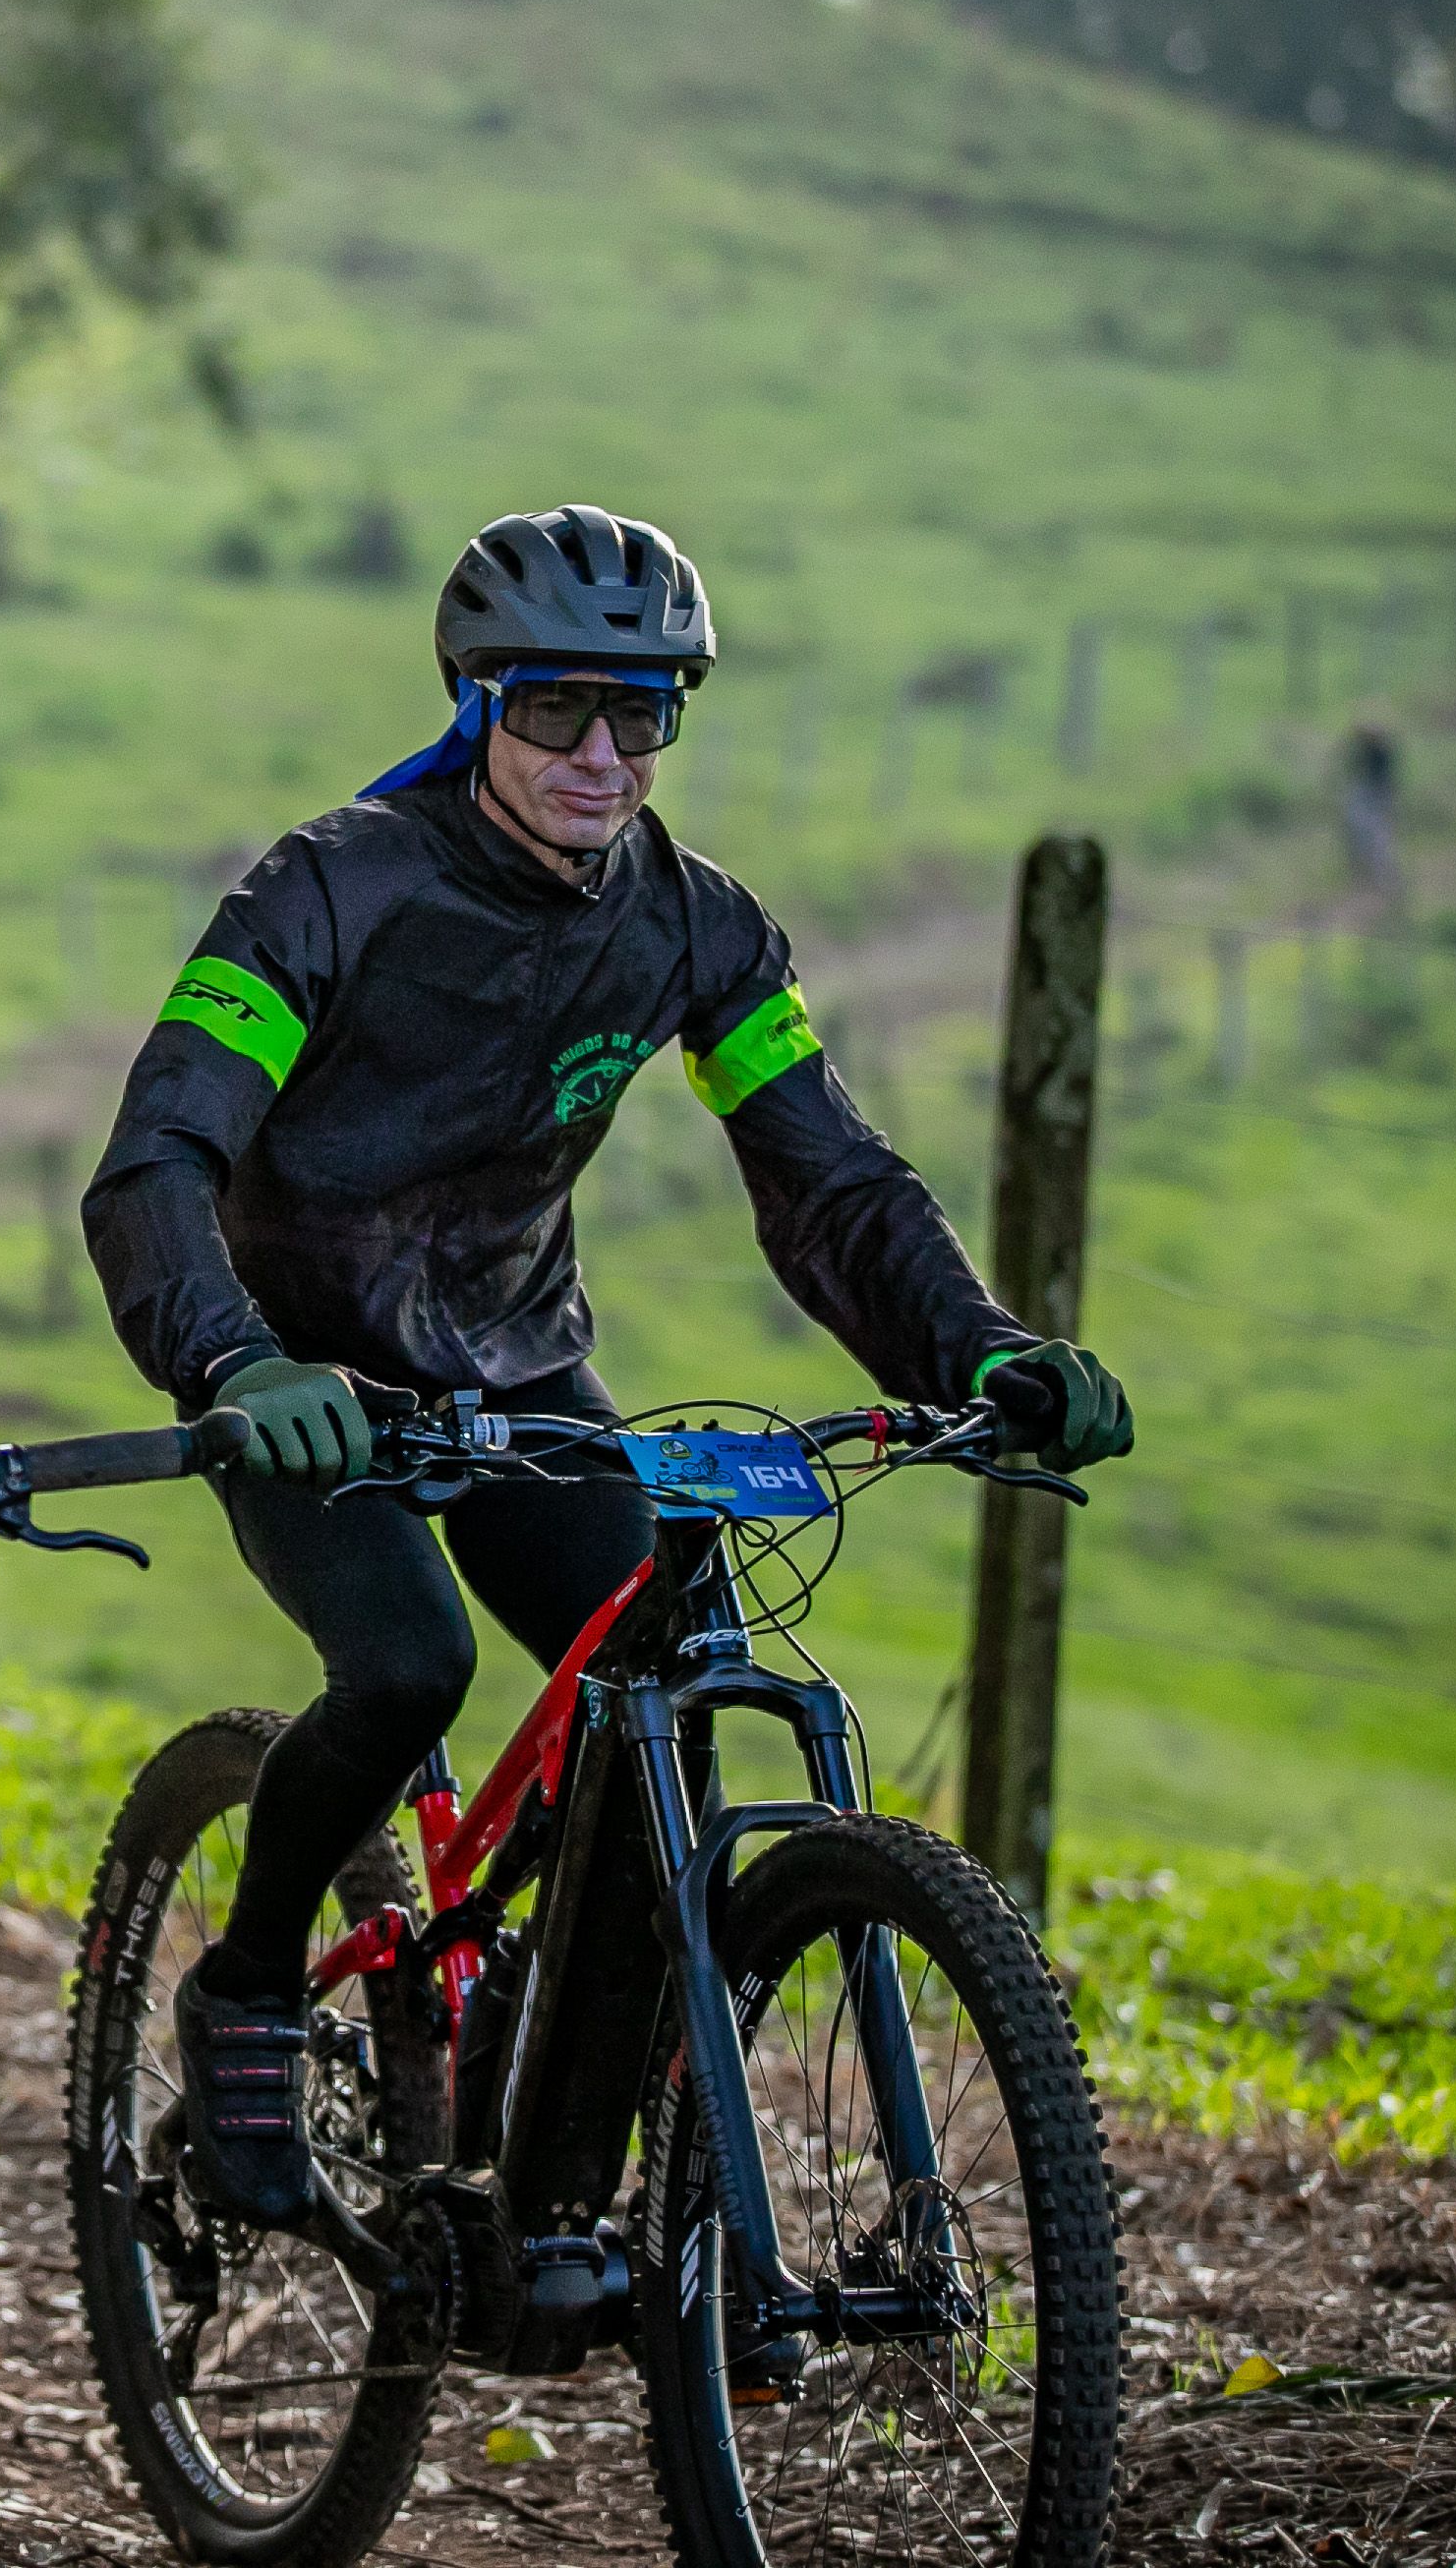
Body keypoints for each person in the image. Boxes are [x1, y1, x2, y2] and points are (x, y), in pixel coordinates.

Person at [80, 504, 1136, 2230]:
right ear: (478, 703)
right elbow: (156, 1163)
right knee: (407, 1665)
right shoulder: (329, 891)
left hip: (518, 1372)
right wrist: (232, 1358)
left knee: (672, 1675)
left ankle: (557, 2051)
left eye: (641, 713)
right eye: (556, 707)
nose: (600, 755)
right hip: (306, 1390)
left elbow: (831, 1183)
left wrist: (985, 1347)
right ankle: (251, 1984)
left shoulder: (697, 931)